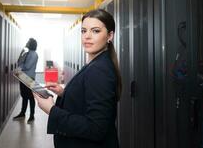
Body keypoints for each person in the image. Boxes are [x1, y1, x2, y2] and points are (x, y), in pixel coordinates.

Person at [34, 9, 122, 148]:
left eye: (95, 31)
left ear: (110, 35)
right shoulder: (96, 63)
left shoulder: (99, 70)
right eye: (83, 31)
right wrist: (64, 93)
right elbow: (88, 98)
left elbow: (96, 129)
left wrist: (51, 110)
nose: (87, 36)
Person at [13, 38, 38, 123]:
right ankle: (22, 113)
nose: (26, 43)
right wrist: (21, 53)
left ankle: (32, 116)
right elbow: (18, 61)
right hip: (22, 76)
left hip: (29, 78)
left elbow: (26, 66)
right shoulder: (26, 53)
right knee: (24, 96)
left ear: (31, 44)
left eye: (28, 42)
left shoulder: (34, 54)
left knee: (30, 97)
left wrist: (21, 65)